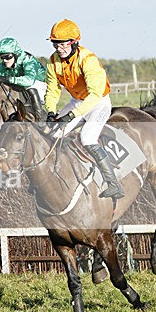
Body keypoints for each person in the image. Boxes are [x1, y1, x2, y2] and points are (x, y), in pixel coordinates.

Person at [44, 19, 125, 199]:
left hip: (98, 103)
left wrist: (71, 115)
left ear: (74, 42)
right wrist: (50, 111)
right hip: (77, 101)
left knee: (87, 137)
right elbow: (52, 90)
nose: (59, 49)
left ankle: (114, 184)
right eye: (55, 44)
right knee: (50, 134)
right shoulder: (52, 62)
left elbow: (94, 96)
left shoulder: (88, 60)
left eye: (63, 44)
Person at [0, 37, 47, 119]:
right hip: (21, 83)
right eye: (2, 57)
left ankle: (40, 119)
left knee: (30, 87)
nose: (5, 60)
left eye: (8, 57)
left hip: (39, 83)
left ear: (16, 54)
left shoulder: (28, 60)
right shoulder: (4, 64)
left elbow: (29, 81)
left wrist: (8, 79)